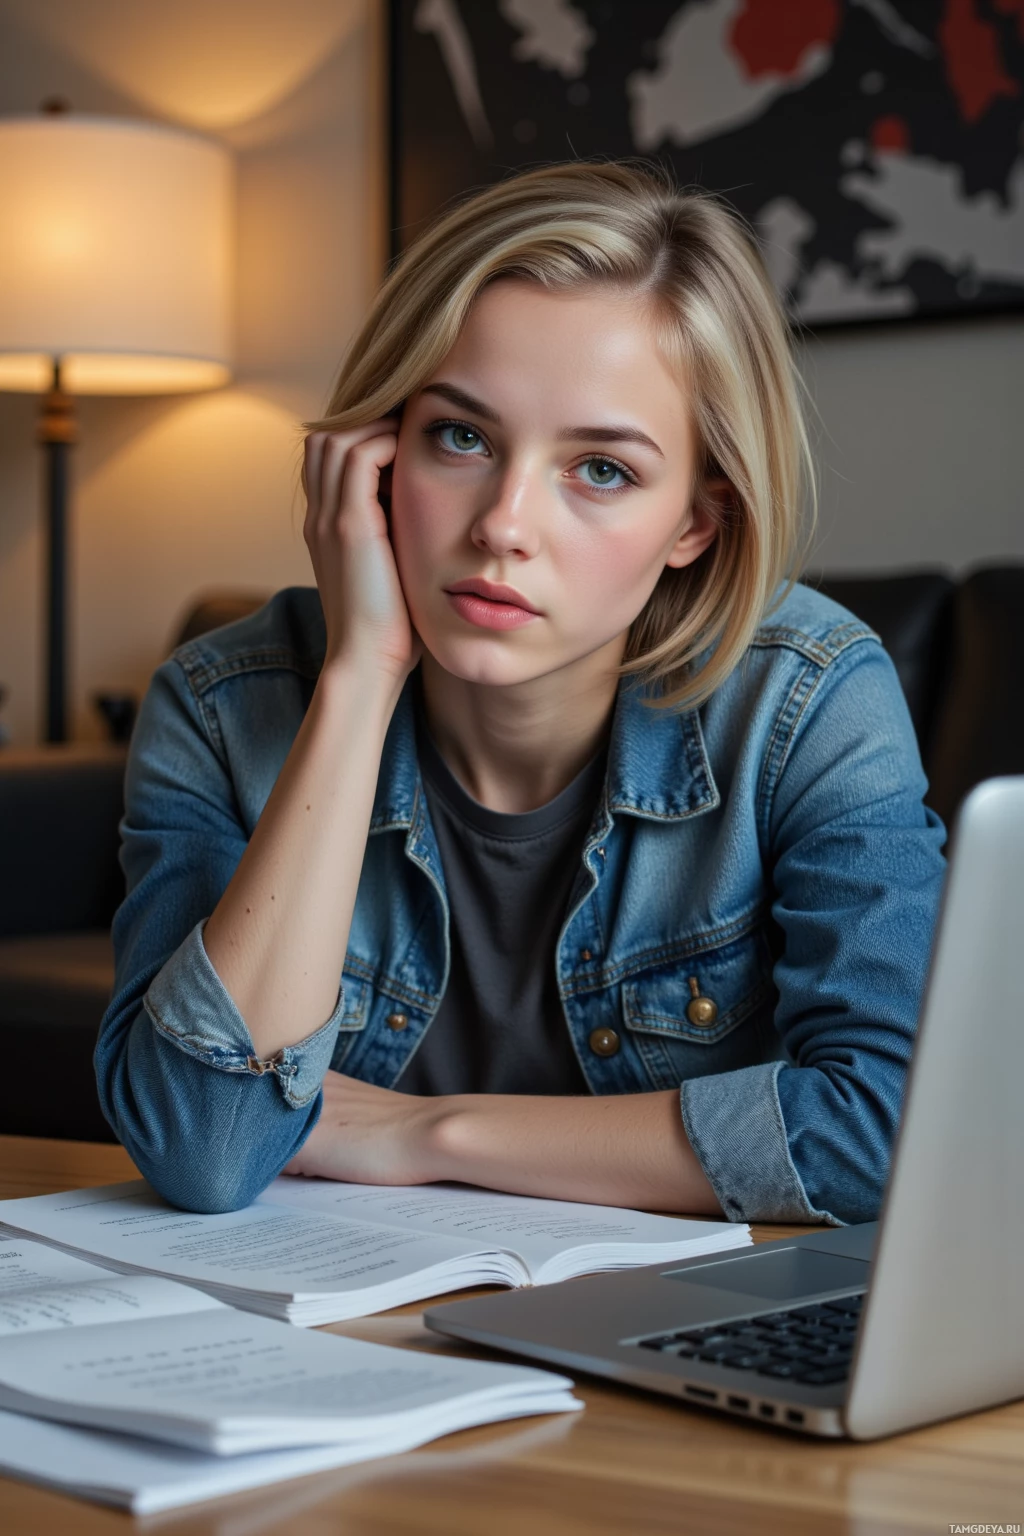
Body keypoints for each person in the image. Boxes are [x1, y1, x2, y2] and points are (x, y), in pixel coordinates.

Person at [95, 161, 946, 1224]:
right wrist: (360, 676)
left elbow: (890, 1133)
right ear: (372, 458)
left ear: (695, 523)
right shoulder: (221, 705)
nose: (503, 525)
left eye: (601, 470)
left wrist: (430, 1132)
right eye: (461, 436)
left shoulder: (806, 703)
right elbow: (203, 1148)